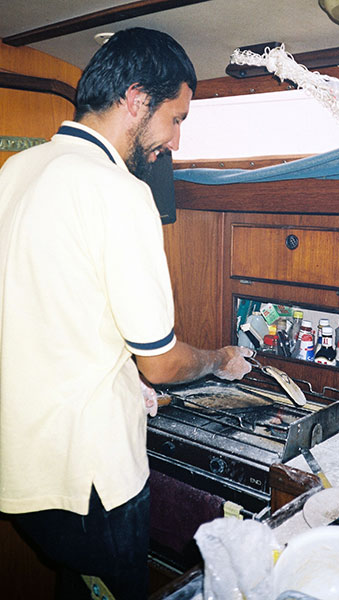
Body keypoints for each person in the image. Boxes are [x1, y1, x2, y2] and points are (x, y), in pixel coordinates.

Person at [0, 27, 253, 599]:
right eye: (177, 118)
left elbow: (47, 310)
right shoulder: (117, 191)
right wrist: (216, 358)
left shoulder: (16, 172)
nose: (176, 141)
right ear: (137, 100)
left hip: (21, 465)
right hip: (90, 481)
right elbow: (160, 364)